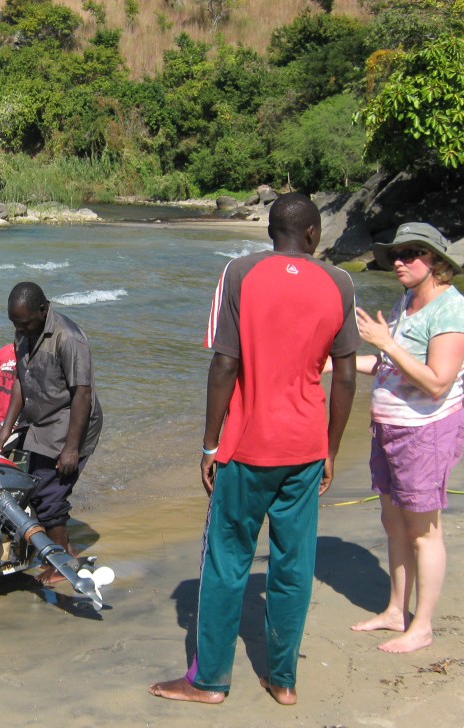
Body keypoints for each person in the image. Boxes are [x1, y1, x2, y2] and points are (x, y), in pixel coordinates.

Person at [149, 192, 358, 706]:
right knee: (293, 564)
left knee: (226, 561)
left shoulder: (240, 273)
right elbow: (346, 376)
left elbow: (224, 363)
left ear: (269, 231)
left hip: (246, 447)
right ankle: (283, 679)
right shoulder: (340, 283)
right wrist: (330, 449)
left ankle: (209, 681)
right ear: (312, 234)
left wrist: (209, 444)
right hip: (305, 447)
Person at [346, 222, 464, 653]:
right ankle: (395, 611)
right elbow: (390, 366)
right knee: (394, 523)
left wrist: (386, 342)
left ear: (435, 260)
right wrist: (336, 363)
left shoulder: (452, 310)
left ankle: (422, 626)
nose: (399, 262)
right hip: (389, 428)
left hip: (425, 432)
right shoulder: (407, 301)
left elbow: (437, 382)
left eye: (410, 254)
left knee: (424, 532)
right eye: (396, 255)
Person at [0, 282, 103, 585]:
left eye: (25, 323)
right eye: (15, 324)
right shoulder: (24, 331)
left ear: (43, 310)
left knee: (49, 493)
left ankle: (62, 563)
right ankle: (65, 550)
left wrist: (71, 448)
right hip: (42, 422)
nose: (19, 329)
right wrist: (5, 428)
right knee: (35, 487)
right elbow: (20, 380)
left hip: (71, 422)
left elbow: (82, 394)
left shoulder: (69, 338)